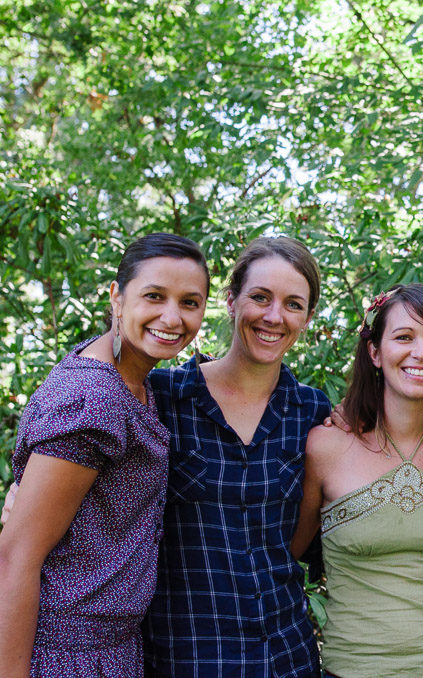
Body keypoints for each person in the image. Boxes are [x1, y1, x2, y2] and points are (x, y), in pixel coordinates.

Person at [0, 234, 209, 678]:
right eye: (154, 296)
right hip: (65, 655)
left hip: (113, 649)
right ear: (117, 296)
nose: (172, 317)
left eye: (189, 302)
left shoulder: (134, 380)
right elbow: (15, 556)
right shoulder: (94, 398)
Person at [142, 236, 331, 677]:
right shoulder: (162, 398)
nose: (274, 316)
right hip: (187, 658)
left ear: (307, 318)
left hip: (286, 658)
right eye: (260, 297)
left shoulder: (312, 412)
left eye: (293, 304)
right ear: (231, 301)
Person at [293, 283, 423, 676]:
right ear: (374, 352)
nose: (421, 352)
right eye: (404, 337)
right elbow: (286, 559)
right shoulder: (326, 446)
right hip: (356, 667)